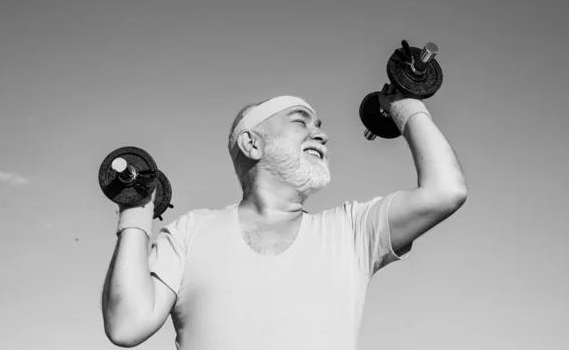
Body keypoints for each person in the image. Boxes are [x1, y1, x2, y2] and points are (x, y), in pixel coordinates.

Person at [101, 87, 467, 350]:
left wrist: (405, 105)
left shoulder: (351, 232)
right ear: (252, 144)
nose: (321, 135)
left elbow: (445, 191)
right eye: (300, 122)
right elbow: (127, 325)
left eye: (319, 126)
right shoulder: (189, 232)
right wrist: (135, 209)